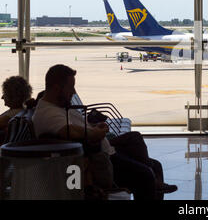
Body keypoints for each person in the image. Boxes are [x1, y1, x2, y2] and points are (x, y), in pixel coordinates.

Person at [33, 64, 176, 200]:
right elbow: (70, 132)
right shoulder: (48, 114)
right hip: (100, 159)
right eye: (71, 87)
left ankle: (153, 182)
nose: (74, 92)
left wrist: (93, 127)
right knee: (146, 175)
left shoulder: (57, 107)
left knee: (151, 162)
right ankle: (151, 183)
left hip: (103, 150)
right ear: (57, 88)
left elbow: (75, 129)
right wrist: (95, 133)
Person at [0, 76, 33, 141]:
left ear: (12, 96)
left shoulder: (12, 115)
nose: (2, 97)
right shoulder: (21, 111)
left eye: (4, 93)